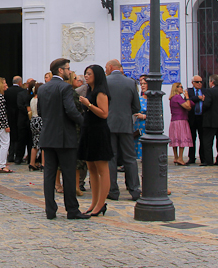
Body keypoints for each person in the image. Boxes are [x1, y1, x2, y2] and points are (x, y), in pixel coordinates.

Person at [38, 58, 88, 220]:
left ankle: (50, 210)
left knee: (49, 175)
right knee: (68, 174)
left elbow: (40, 111)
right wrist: (83, 122)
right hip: (65, 137)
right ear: (61, 71)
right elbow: (71, 110)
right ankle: (72, 209)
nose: (69, 71)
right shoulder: (65, 87)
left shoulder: (43, 89)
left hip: (48, 135)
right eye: (67, 68)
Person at [77, 65, 112, 217]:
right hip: (89, 130)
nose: (86, 76)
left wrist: (88, 105)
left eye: (89, 73)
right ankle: (94, 202)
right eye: (85, 73)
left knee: (102, 169)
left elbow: (104, 114)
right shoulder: (90, 91)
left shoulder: (100, 92)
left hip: (98, 131)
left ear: (96, 75)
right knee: (91, 168)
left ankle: (100, 203)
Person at [104, 59, 141, 201]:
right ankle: (134, 189)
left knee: (111, 158)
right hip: (126, 124)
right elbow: (136, 107)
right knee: (130, 158)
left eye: (106, 67)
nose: (106, 70)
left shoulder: (105, 82)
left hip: (109, 123)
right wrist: (126, 112)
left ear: (111, 67)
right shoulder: (130, 82)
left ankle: (113, 190)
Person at [202, 74, 218, 166]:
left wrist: (203, 104)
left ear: (212, 82)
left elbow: (207, 104)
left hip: (210, 121)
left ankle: (209, 161)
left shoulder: (209, 91)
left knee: (208, 142)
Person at [169, 82, 192, 165]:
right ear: (176, 88)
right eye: (181, 87)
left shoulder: (172, 98)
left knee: (175, 139)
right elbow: (188, 107)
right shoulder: (178, 97)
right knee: (182, 139)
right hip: (181, 120)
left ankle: (176, 157)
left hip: (174, 120)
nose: (182, 88)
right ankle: (180, 158)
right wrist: (187, 97)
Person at [186, 75, 206, 165]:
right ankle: (191, 157)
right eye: (197, 82)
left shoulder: (204, 91)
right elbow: (188, 100)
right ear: (193, 83)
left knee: (203, 138)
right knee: (192, 138)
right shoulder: (189, 91)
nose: (199, 84)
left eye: (201, 82)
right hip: (192, 117)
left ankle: (203, 158)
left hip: (202, 117)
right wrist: (198, 98)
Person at [4, 76, 23, 163]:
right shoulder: (22, 91)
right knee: (18, 135)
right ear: (20, 82)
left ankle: (10, 154)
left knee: (10, 135)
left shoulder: (7, 92)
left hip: (9, 115)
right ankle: (17, 155)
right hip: (19, 115)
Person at [29, 81, 43, 171]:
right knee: (44, 143)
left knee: (35, 143)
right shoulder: (41, 99)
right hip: (40, 120)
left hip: (33, 120)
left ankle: (32, 162)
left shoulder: (32, 99)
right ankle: (43, 163)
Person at [133, 76, 148, 160]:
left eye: (145, 84)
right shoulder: (139, 99)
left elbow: (158, 114)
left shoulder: (153, 100)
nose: (142, 86)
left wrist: (144, 116)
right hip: (138, 129)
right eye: (141, 84)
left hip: (147, 128)